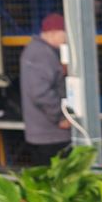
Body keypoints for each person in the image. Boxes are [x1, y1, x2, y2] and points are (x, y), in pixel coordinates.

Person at [20, 13, 70, 165]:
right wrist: (60, 117)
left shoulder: (37, 51)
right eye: (64, 35)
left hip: (44, 133)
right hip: (50, 134)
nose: (66, 40)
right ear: (53, 33)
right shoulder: (41, 54)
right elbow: (40, 92)